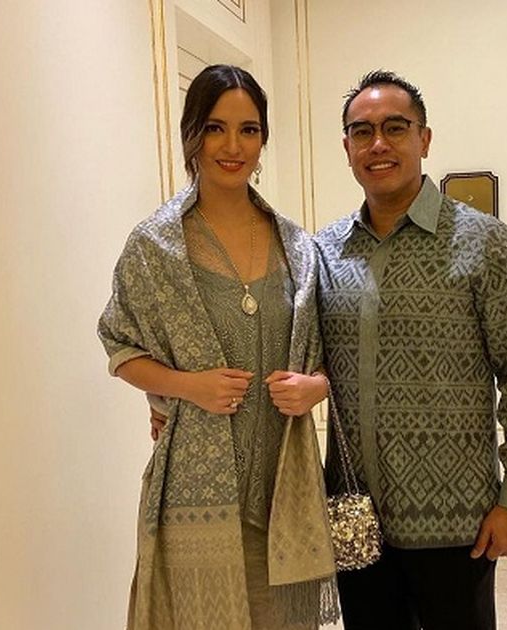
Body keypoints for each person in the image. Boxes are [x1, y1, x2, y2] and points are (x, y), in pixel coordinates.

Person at [314, 70, 507, 630]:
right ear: (347, 148)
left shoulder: (488, 244)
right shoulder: (324, 252)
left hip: (457, 522)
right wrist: (169, 399)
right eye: (362, 131)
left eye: (395, 128)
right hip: (356, 518)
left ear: (424, 140)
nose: (378, 143)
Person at [98, 64, 338, 630]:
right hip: (195, 493)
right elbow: (119, 344)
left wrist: (317, 387)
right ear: (192, 135)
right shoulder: (155, 246)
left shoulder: (297, 246)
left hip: (283, 490)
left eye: (248, 130)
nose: (233, 146)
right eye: (215, 128)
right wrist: (186, 386)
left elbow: (334, 351)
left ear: (263, 139)